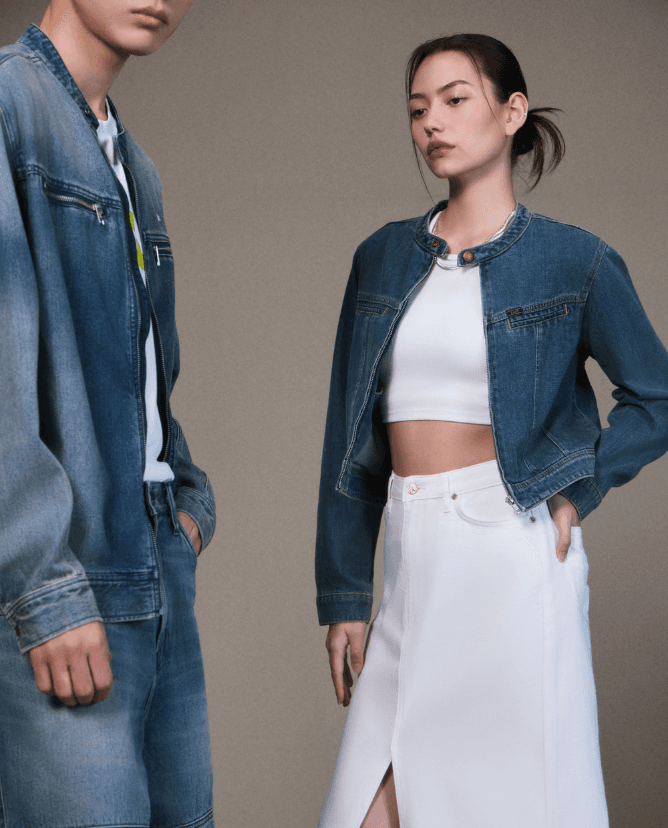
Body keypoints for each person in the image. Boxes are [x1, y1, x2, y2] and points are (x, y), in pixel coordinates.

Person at [315, 33, 668, 828]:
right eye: (417, 109)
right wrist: (342, 594)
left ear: (512, 113)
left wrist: (578, 490)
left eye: (454, 100)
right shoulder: (381, 258)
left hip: (508, 555)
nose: (432, 123)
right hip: (411, 552)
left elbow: (658, 395)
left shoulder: (573, 260)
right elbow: (349, 444)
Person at [0, 3, 217, 826]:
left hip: (154, 553)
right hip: (59, 567)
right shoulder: (10, 107)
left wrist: (186, 502)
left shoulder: (133, 162)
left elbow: (143, 371)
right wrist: (42, 583)